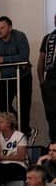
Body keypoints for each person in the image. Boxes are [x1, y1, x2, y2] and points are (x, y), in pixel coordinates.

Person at [0, 16, 32, 136]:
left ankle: (25, 133)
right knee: (3, 106)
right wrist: (14, 60)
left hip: (23, 76)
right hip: (6, 77)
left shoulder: (20, 36)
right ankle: (19, 125)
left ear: (10, 28)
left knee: (24, 106)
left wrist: (4, 59)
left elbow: (24, 57)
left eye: (2, 28)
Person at [39, 13, 56, 143]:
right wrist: (42, 82)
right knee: (52, 115)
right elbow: (41, 60)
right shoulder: (48, 38)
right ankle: (54, 144)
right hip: (50, 80)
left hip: (50, 81)